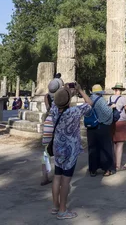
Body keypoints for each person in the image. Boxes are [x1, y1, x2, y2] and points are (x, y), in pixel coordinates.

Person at [50, 83, 93, 220]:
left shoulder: (54, 109)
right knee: (66, 180)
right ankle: (63, 210)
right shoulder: (74, 112)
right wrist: (80, 90)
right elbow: (90, 103)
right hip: (70, 149)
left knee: (57, 177)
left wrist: (65, 90)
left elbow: (60, 99)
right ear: (69, 100)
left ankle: (55, 206)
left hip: (57, 147)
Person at [87, 84, 115, 177]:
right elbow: (106, 113)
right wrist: (111, 108)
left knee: (93, 148)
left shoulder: (88, 99)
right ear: (100, 92)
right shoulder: (101, 100)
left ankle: (93, 170)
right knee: (105, 148)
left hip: (91, 127)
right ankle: (107, 169)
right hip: (101, 126)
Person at [109, 82, 126, 171]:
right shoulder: (123, 99)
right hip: (121, 121)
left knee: (114, 143)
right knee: (120, 144)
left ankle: (114, 163)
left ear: (114, 90)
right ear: (121, 90)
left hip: (112, 122)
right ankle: (118, 165)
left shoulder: (109, 98)